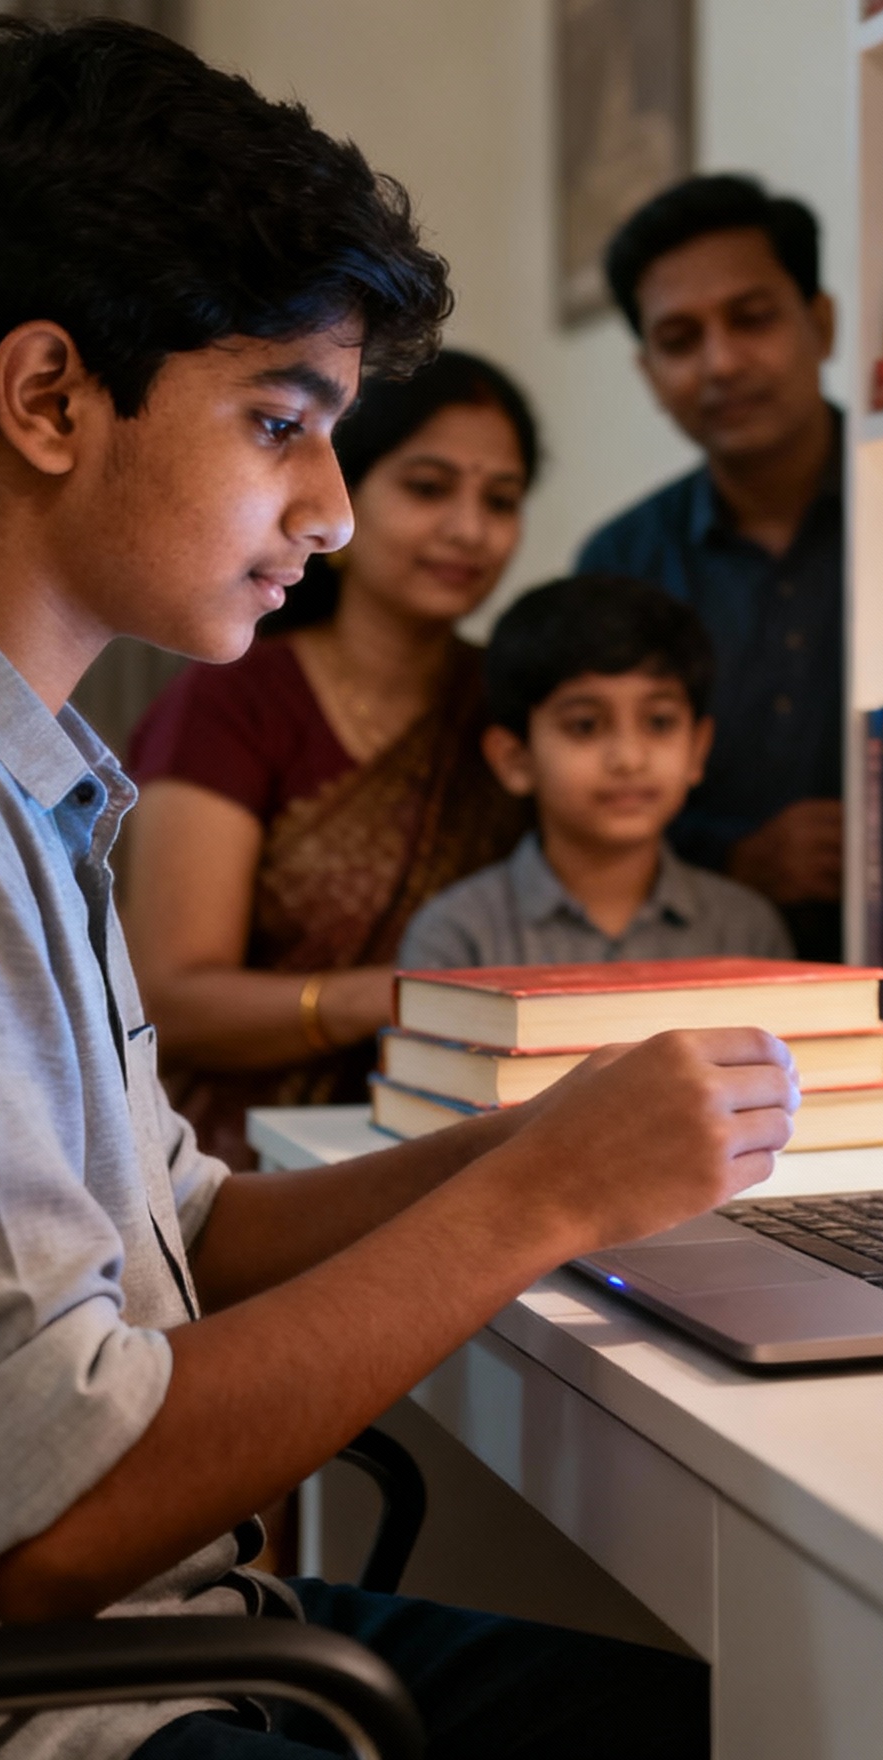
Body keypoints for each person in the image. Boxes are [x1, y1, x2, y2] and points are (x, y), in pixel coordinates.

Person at [0, 15, 796, 1760]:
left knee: (738, 1715)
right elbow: (49, 1521)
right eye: (282, 419)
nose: (334, 507)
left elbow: (193, 1234)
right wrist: (534, 1208)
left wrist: (542, 1141)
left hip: (162, 1630)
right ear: (49, 396)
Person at [123, 350, 533, 1169]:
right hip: (240, 1164)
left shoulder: (511, 707)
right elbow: (167, 994)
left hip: (463, 1144)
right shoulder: (234, 701)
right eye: (427, 487)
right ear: (345, 494)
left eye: (501, 500)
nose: (469, 529)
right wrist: (386, 998)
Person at [580, 174, 844, 961]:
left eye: (753, 318)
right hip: (690, 976)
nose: (721, 362)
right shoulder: (621, 562)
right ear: (650, 374)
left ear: (821, 324)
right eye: (680, 339)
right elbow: (579, 794)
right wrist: (736, 858)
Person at [401, 575, 792, 969]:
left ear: (697, 749)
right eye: (585, 725)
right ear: (515, 760)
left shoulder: (746, 933)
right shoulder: (457, 935)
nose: (628, 759)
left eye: (659, 722)